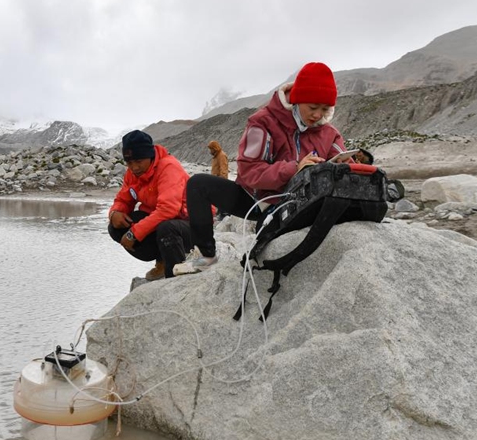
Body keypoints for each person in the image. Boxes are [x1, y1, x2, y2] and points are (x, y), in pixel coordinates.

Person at [173, 62, 352, 275]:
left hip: (302, 202)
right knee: (197, 184)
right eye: (312, 107)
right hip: (257, 200)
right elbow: (249, 173)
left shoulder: (329, 132)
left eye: (325, 110)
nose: (318, 115)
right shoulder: (262, 122)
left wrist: (347, 164)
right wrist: (294, 168)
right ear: (296, 99)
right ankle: (207, 255)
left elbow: (340, 162)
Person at [108, 130, 193, 280]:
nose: (134, 167)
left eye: (139, 161)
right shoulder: (133, 174)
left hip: (191, 224)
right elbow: (123, 200)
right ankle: (162, 260)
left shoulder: (168, 167)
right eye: (129, 163)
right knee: (116, 227)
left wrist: (133, 233)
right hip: (163, 222)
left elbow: (168, 210)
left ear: (150, 155)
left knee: (166, 227)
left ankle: (175, 274)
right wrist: (115, 213)